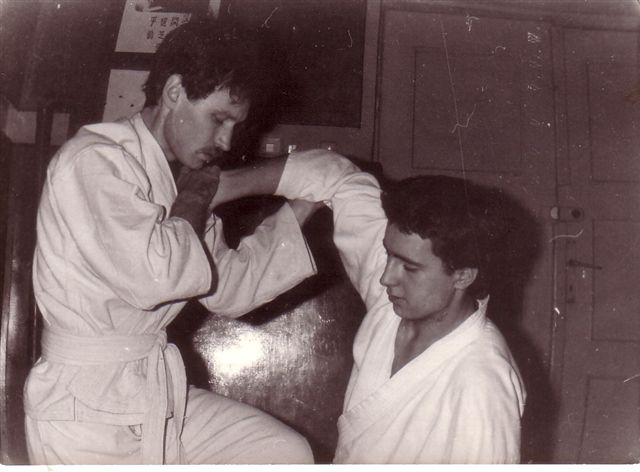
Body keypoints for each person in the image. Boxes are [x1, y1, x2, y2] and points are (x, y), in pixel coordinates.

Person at [24, 18, 319, 465]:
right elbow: (157, 278)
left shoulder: (177, 180)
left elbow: (228, 288)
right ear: (174, 92)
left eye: (235, 125)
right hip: (81, 407)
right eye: (219, 118)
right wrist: (199, 196)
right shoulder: (93, 161)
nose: (226, 141)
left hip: (150, 390)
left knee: (282, 451)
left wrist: (306, 201)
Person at [211, 149, 527, 463]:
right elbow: (338, 179)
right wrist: (219, 186)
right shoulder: (401, 296)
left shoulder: (482, 382)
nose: (386, 277)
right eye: (388, 254)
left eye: (410, 268)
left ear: (463, 276)